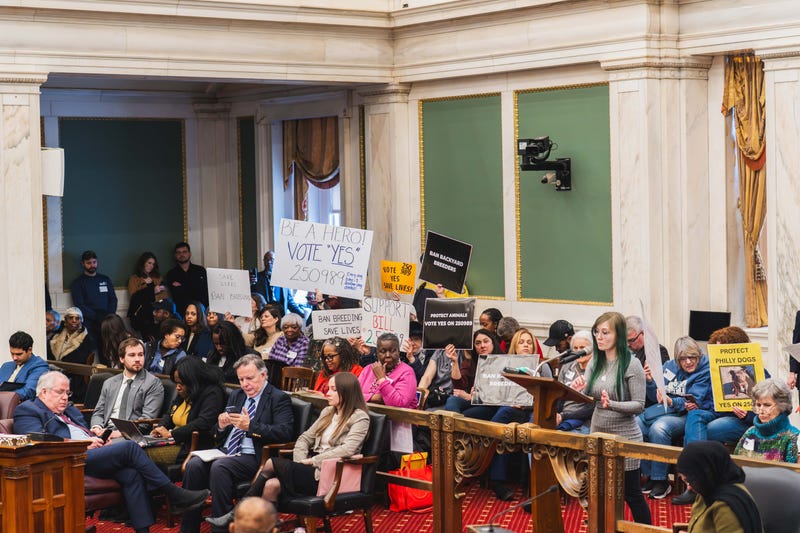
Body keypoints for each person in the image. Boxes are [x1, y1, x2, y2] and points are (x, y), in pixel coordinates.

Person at [14, 371, 210, 533]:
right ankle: (174, 493)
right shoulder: (28, 410)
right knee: (129, 447)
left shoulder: (70, 410)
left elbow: (86, 433)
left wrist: (99, 437)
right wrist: (80, 444)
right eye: (60, 392)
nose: (65, 398)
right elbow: (37, 440)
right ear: (44, 392)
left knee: (131, 474)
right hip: (67, 459)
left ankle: (144, 531)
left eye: (68, 393)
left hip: (91, 455)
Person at [206, 372, 369, 529]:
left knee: (271, 463)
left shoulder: (360, 417)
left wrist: (313, 461)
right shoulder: (327, 412)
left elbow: (348, 449)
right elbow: (304, 439)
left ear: (346, 392)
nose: (328, 393)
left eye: (334, 389)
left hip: (331, 475)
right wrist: (300, 463)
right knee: (271, 485)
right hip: (309, 470)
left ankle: (237, 513)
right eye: (328, 388)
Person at [181, 354, 293, 533]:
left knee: (220, 466)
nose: (245, 384)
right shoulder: (237, 395)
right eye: (241, 379)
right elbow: (216, 433)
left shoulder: (278, 398)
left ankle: (222, 529)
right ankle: (188, 529)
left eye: (250, 378)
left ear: (263, 375)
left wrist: (251, 427)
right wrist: (221, 425)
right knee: (194, 464)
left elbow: (284, 432)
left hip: (255, 456)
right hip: (227, 451)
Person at [571, 311, 650, 524]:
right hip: (598, 433)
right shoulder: (595, 360)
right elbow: (587, 394)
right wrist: (578, 389)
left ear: (619, 335)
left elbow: (639, 405)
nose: (599, 337)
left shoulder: (631, 364)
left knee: (630, 493)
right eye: (597, 332)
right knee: (600, 491)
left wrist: (612, 404)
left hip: (625, 438)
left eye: (605, 332)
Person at [675, 326, 759, 505]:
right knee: (696, 416)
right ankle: (694, 482)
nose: (718, 353)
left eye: (723, 349)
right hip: (719, 413)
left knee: (710, 430)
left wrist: (747, 414)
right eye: (716, 349)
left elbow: (770, 411)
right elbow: (710, 404)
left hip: (743, 420)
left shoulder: (757, 370)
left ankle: (701, 484)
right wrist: (698, 405)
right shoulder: (715, 372)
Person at [638, 336, 713, 500]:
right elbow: (654, 395)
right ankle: (649, 474)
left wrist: (672, 401)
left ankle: (661, 480)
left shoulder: (705, 369)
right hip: (667, 409)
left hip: (688, 413)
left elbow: (694, 400)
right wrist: (650, 381)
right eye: (683, 359)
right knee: (636, 424)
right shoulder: (670, 366)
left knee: (659, 428)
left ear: (699, 356)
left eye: (692, 357)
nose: (688, 362)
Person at [487, 327, 548, 501]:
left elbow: (549, 395)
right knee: (503, 418)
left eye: (529, 342)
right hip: (512, 408)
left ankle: (531, 484)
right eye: (521, 342)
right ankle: (496, 480)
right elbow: (496, 391)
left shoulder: (542, 367)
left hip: (534, 410)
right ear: (514, 346)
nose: (526, 345)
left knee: (532, 426)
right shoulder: (504, 366)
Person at [150, 356, 227, 466]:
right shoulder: (185, 391)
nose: (177, 387)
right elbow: (170, 413)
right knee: (131, 449)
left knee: (137, 453)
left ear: (193, 380)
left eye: (181, 383)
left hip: (188, 446)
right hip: (170, 442)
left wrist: (172, 434)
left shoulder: (212, 393)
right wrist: (160, 428)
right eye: (176, 383)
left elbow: (203, 423)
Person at [676, 441, 762, 533]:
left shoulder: (726, 507)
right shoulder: (705, 491)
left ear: (707, 473)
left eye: (691, 481)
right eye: (685, 481)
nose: (689, 488)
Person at [90, 337, 164, 439]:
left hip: (131, 436)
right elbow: (99, 412)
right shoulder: (110, 383)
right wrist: (97, 427)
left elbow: (146, 420)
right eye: (132, 355)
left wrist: (120, 433)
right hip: (105, 431)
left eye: (141, 355)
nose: (137, 359)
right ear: (121, 359)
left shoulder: (152, 383)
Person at [734, 378, 799, 463]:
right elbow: (736, 466)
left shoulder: (794, 437)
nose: (761, 410)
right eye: (758, 405)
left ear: (782, 406)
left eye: (767, 405)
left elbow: (794, 474)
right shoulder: (750, 433)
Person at [442, 329, 502, 420]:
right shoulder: (470, 363)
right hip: (472, 401)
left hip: (493, 406)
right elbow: (459, 386)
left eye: (486, 341)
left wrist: (470, 397)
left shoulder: (504, 361)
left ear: (493, 343)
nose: (482, 345)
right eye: (478, 343)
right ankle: (452, 431)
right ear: (474, 347)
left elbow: (502, 393)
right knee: (452, 400)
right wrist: (454, 361)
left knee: (466, 415)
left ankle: (453, 431)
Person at [47, 306, 97, 401]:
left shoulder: (87, 339)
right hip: (54, 375)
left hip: (76, 380)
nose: (74, 321)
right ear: (65, 320)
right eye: (71, 318)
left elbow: (80, 361)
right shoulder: (55, 336)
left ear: (81, 321)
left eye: (77, 318)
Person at [358, 333, 417, 408]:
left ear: (399, 352)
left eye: (392, 351)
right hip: (367, 415)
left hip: (395, 418)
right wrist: (375, 398)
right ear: (377, 353)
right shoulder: (368, 369)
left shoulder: (407, 372)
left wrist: (382, 379)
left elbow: (400, 404)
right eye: (383, 351)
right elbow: (354, 395)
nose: (388, 355)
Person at [70, 250, 118, 342]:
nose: (92, 265)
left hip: (107, 321)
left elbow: (113, 299)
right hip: (89, 323)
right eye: (89, 263)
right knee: (90, 351)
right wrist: (96, 317)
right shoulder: (78, 283)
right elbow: (79, 304)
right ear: (83, 263)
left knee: (108, 350)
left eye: (94, 262)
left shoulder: (105, 279)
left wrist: (109, 315)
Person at [556, 329, 595, 433]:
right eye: (575, 348)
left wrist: (563, 416)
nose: (578, 352)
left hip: (584, 420)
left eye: (582, 348)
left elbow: (592, 407)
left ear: (592, 348)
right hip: (562, 415)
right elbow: (559, 396)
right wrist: (555, 414)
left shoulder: (597, 369)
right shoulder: (567, 366)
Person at [250, 250, 305, 318]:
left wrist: (300, 313)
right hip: (262, 317)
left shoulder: (283, 280)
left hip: (280, 317)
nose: (269, 262)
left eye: (272, 260)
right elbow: (250, 297)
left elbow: (289, 301)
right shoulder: (257, 278)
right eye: (266, 260)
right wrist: (250, 284)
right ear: (264, 261)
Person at [127, 252, 169, 335]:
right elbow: (134, 298)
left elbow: (164, 297)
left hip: (158, 315)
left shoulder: (157, 277)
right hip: (142, 316)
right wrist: (152, 291)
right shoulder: (134, 279)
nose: (151, 266)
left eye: (153, 264)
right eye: (149, 263)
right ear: (143, 263)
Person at [0, 331, 48, 401]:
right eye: (12, 354)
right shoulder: (6, 366)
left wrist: (3, 397)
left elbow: (28, 391)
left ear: (30, 350)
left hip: (20, 407)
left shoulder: (39, 366)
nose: (14, 358)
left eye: (19, 354)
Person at [165, 242, 209, 314]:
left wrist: (182, 287)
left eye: (184, 252)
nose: (181, 254)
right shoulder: (171, 274)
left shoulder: (200, 271)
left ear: (190, 254)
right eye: (178, 252)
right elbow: (173, 295)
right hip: (181, 313)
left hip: (201, 312)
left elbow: (205, 292)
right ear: (175, 255)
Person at [267, 313, 310, 383]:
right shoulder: (280, 340)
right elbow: (270, 362)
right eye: (286, 327)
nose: (289, 330)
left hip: (292, 382)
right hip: (274, 379)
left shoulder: (305, 343)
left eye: (294, 327)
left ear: (300, 328)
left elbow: (298, 371)